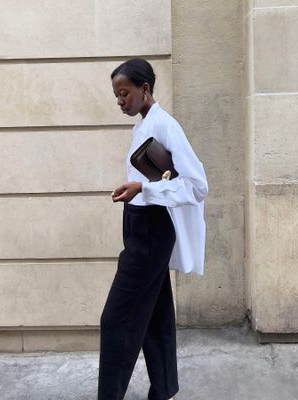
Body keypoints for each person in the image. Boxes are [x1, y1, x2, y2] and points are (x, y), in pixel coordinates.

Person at [97, 58, 208, 400]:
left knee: (115, 321)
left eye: (124, 93)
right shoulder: (144, 125)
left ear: (145, 90)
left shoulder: (165, 126)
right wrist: (138, 191)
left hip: (150, 234)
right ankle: (163, 390)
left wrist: (143, 190)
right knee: (156, 320)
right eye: (116, 95)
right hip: (140, 228)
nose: (119, 101)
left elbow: (196, 185)